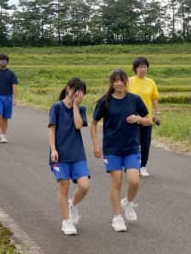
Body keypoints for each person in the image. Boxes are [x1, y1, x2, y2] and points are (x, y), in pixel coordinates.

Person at [91, 69, 151, 232]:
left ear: (126, 81)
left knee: (134, 181)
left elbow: (148, 120)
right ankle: (117, 217)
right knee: (116, 182)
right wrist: (96, 145)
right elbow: (93, 123)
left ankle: (128, 203)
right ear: (111, 83)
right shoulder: (105, 101)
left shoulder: (135, 100)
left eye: (121, 80)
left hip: (131, 147)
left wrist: (138, 119)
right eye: (115, 80)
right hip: (112, 148)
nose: (119, 83)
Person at [48, 78, 90, 235]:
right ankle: (66, 221)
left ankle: (72, 205)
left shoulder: (81, 109)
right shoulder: (57, 107)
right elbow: (51, 130)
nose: (78, 95)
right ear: (68, 89)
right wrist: (53, 150)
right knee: (64, 186)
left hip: (77, 154)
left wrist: (75, 106)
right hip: (60, 154)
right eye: (76, 92)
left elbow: (78, 125)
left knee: (85, 186)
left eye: (82, 93)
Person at [128, 57, 161, 177]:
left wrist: (158, 114)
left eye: (145, 67)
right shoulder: (129, 81)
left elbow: (154, 99)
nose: (143, 69)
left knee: (146, 143)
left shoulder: (151, 82)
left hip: (146, 118)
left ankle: (143, 166)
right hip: (132, 118)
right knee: (134, 142)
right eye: (140, 67)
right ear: (135, 68)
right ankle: (132, 165)